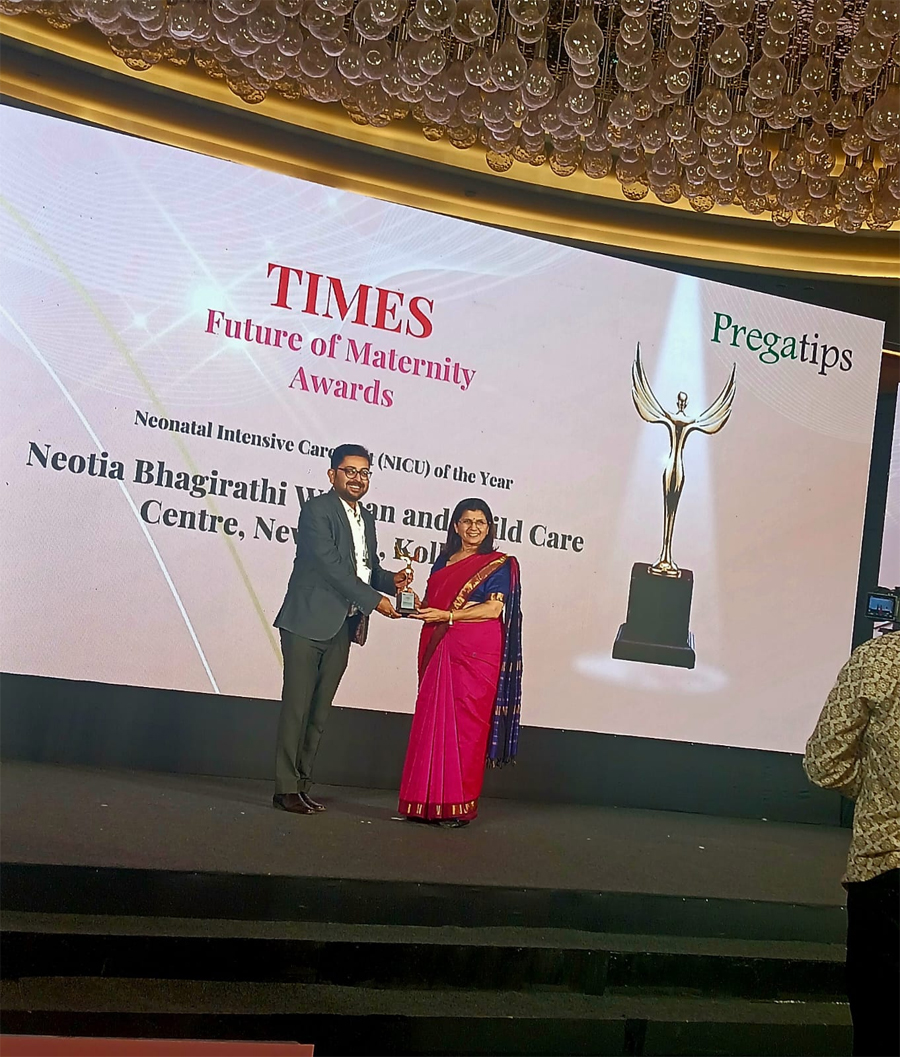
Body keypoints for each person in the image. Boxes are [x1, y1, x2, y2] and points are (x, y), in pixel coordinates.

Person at [273, 443, 411, 815]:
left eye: (364, 472)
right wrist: (375, 601)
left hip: (341, 626)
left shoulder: (366, 518)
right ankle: (285, 788)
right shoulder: (316, 510)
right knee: (297, 709)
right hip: (306, 622)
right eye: (350, 471)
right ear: (332, 474)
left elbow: (364, 568)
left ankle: (301, 785)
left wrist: (390, 581)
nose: (357, 478)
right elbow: (332, 568)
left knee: (318, 713)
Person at [398, 498, 523, 828]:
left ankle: (456, 807)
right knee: (431, 721)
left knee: (466, 727)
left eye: (480, 522)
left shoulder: (498, 564)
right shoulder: (444, 560)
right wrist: (411, 600)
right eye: (467, 521)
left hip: (476, 651)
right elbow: (435, 604)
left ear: (489, 527)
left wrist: (449, 616)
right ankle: (423, 804)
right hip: (440, 643)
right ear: (455, 526)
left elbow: (493, 609)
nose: (473, 528)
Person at [803, 630, 900, 1057]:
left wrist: (878, 788)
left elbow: (825, 763)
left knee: (881, 1033)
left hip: (885, 872)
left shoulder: (881, 659)